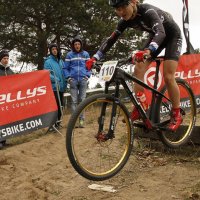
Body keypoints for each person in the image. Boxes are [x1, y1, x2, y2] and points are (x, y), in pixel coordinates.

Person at [86, 0, 183, 132]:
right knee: (138, 67)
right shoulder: (124, 21)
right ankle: (141, 105)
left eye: (123, 7)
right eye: (117, 9)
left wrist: (148, 51)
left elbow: (161, 32)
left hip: (172, 36)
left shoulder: (148, 11)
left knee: (168, 76)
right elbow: (111, 39)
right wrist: (95, 57)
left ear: (133, 3)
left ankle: (177, 113)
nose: (121, 12)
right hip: (156, 37)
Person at [64, 36, 91, 128]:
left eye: (78, 44)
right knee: (74, 101)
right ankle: (74, 121)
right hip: (73, 81)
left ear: (81, 45)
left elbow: (89, 67)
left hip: (83, 80)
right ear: (73, 46)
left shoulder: (86, 54)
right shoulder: (69, 55)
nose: (77, 46)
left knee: (82, 100)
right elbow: (65, 68)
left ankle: (82, 121)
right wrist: (69, 78)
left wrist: (87, 76)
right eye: (75, 44)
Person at [44, 43, 67, 129]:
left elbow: (64, 72)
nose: (54, 50)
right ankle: (52, 125)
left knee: (61, 106)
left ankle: (57, 124)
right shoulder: (48, 61)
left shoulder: (61, 61)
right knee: (56, 107)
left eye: (56, 49)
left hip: (61, 88)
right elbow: (47, 73)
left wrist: (65, 80)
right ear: (50, 51)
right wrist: (56, 79)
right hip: (54, 88)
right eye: (53, 49)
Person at [0, 50, 15, 149]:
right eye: (4, 58)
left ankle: (4, 140)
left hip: (8, 100)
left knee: (7, 120)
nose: (6, 60)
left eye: (7, 58)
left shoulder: (10, 71)